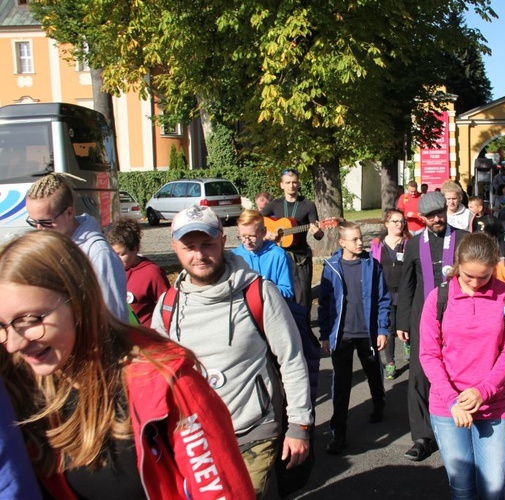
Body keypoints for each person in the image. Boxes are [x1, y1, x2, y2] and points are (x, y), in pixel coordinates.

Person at [0, 230, 253, 498]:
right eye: (2, 325)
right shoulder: (18, 384)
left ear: (78, 301)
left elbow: (221, 490)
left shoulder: (168, 382)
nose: (14, 344)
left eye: (30, 321)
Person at [151, 205, 313, 499]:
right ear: (175, 248)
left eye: (207, 244)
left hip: (254, 431)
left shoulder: (259, 293)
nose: (199, 255)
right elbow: (157, 378)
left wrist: (299, 425)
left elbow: (291, 359)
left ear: (223, 241)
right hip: (196, 438)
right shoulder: (166, 307)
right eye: (189, 247)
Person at [420, 233, 505, 499]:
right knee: (462, 490)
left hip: (493, 405)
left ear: (495, 268)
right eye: (468, 276)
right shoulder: (438, 298)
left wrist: (483, 390)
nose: (476, 283)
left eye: (484, 277)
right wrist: (452, 400)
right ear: (457, 265)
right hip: (447, 406)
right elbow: (429, 354)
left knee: (493, 490)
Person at [396, 191, 469, 461]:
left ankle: (457, 424)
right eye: (430, 216)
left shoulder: (462, 239)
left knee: (455, 372)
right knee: (418, 376)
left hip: (456, 317)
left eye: (440, 213)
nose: (437, 219)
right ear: (422, 218)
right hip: (420, 318)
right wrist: (402, 321)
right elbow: (407, 284)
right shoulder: (413, 245)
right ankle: (422, 435)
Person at [318, 222, 390, 454]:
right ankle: (338, 434)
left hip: (367, 333)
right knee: (341, 386)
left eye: (361, 238)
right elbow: (325, 304)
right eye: (355, 239)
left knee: (373, 373)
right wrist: (325, 335)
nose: (361, 242)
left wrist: (382, 328)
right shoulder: (331, 266)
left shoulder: (372, 265)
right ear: (342, 242)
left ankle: (378, 401)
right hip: (342, 335)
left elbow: (383, 299)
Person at [25, 173, 128, 322]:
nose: (39, 228)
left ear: (69, 213)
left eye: (46, 222)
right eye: (33, 222)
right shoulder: (47, 247)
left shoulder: (99, 254)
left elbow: (114, 318)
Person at [261, 168, 324, 310]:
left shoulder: (308, 205)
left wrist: (317, 231)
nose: (291, 186)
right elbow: (256, 220)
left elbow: (318, 236)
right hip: (279, 256)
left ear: (298, 184)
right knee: (281, 295)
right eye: (288, 182)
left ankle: (304, 330)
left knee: (303, 296)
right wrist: (266, 234)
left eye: (294, 182)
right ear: (281, 185)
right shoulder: (275, 204)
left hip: (300, 257)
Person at [370, 208, 411, 380]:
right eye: (395, 221)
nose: (399, 224)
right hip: (385, 293)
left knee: (407, 324)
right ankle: (390, 363)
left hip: (405, 291)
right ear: (386, 224)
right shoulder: (377, 244)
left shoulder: (409, 242)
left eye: (401, 221)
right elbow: (372, 267)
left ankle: (407, 343)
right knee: (389, 327)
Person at [107, 218, 170, 326]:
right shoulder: (109, 271)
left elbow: (168, 310)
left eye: (121, 254)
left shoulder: (152, 273)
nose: (115, 259)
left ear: (135, 249)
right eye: (112, 254)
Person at [233, 209, 295, 298]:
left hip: (272, 309)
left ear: (264, 232)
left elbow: (288, 292)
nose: (247, 242)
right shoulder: (233, 257)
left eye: (252, 236)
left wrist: (260, 290)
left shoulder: (278, 255)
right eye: (242, 236)